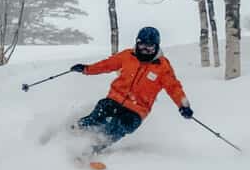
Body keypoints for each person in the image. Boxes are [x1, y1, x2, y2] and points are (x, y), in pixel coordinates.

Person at [69, 26, 193, 155]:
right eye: (142, 46)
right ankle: (74, 131)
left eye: (149, 47)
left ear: (156, 46)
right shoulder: (127, 56)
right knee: (99, 113)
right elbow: (106, 65)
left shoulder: (162, 67)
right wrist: (86, 69)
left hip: (137, 109)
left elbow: (174, 87)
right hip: (115, 99)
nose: (145, 50)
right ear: (137, 43)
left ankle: (94, 148)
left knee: (119, 126)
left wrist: (183, 106)